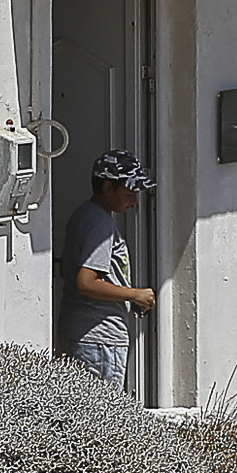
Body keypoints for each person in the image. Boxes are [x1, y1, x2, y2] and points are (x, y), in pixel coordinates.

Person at [60, 151, 155, 393]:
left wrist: (124, 295)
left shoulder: (85, 215)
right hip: (99, 339)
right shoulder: (99, 224)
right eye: (129, 193)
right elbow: (86, 282)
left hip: (87, 335)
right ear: (107, 187)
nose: (134, 201)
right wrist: (133, 294)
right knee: (100, 421)